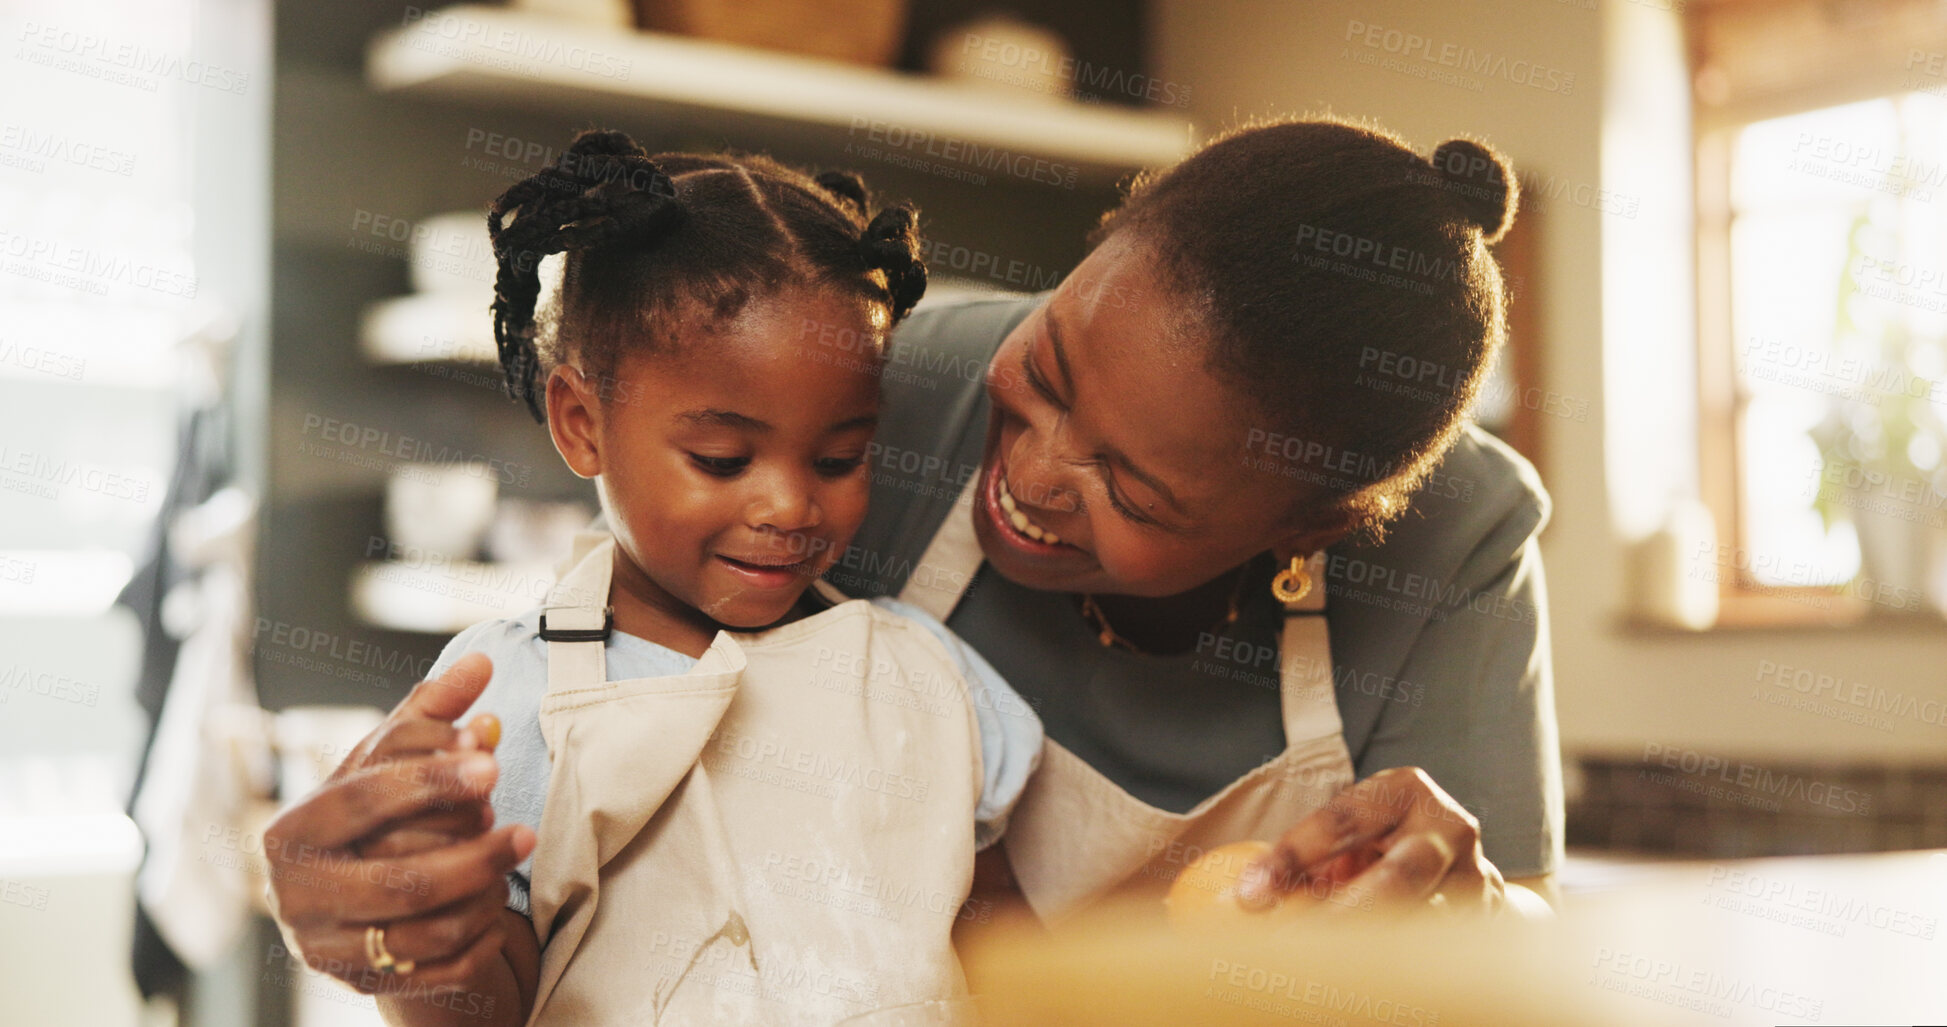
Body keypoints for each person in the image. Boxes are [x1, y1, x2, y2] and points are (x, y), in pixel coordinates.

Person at [263, 130, 1042, 1025]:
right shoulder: (510, 700)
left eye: (839, 458)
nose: (789, 505)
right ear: (580, 422)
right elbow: (479, 1006)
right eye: (720, 458)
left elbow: (1011, 956)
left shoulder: (924, 677)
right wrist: (428, 948)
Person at [826, 115, 1561, 922]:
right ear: (1102, 239)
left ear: (1310, 529)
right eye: (1044, 369)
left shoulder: (1462, 533)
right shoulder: (877, 385)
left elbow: (1524, 920)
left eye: (1132, 490)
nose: (1032, 479)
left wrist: (1475, 910)